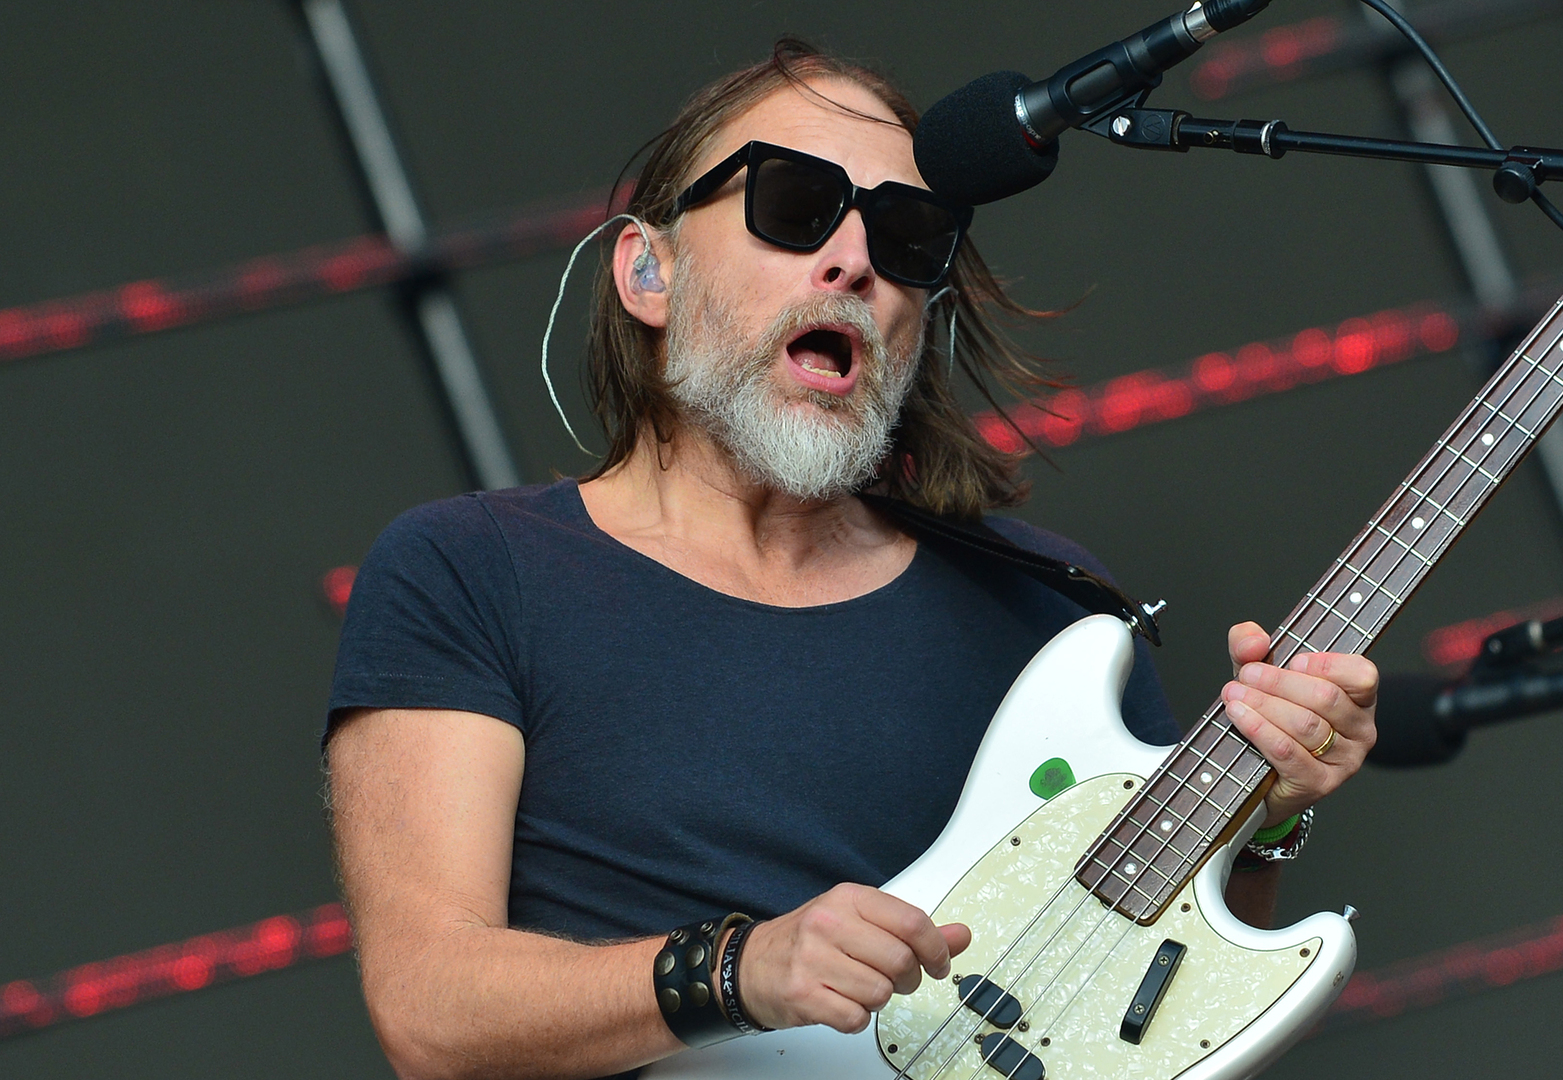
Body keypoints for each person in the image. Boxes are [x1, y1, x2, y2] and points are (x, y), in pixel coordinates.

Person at [324, 40, 1378, 1080]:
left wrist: (1270, 813)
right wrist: (738, 970)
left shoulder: (1052, 611)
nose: (855, 261)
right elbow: (430, 1007)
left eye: (908, 235)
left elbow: (1149, 1024)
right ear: (648, 270)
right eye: (794, 206)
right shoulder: (469, 569)